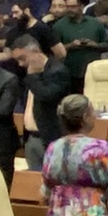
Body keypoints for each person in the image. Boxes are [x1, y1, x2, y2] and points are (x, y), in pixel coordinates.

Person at [12, 34, 72, 163]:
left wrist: (33, 76)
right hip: (30, 138)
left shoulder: (57, 71)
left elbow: (46, 96)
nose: (20, 64)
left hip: (51, 138)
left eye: (22, 58)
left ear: (35, 52)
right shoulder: (28, 74)